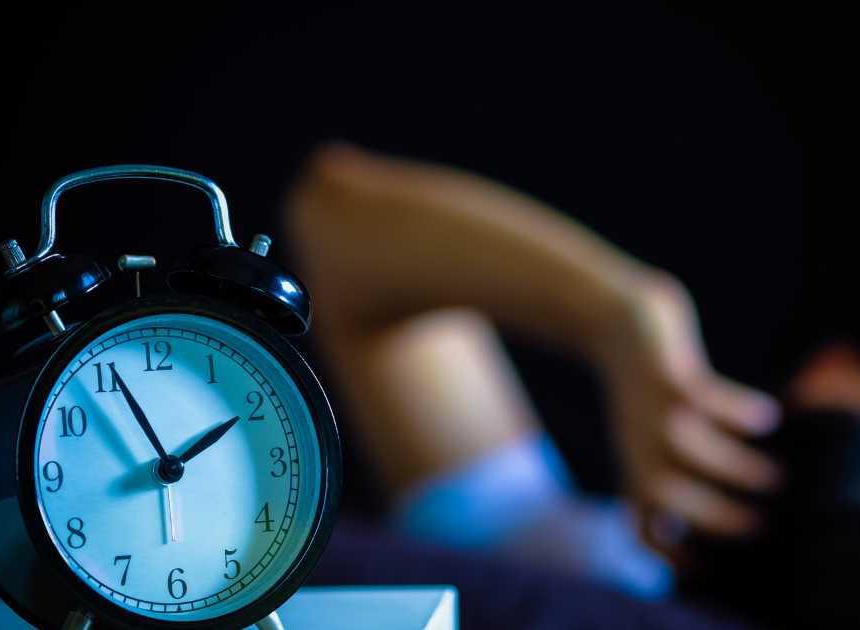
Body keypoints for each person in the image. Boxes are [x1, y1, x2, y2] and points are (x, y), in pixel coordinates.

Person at [284, 141, 781, 597]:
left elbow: (335, 221)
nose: (840, 357)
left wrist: (626, 307)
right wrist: (628, 316)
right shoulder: (570, 560)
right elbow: (335, 220)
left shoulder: (562, 566)